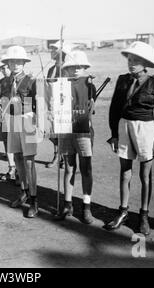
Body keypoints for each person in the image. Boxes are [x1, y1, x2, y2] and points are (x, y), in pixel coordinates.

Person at [105, 41, 154, 236]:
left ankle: (143, 216)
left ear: (146, 63)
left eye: (137, 60)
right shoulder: (122, 80)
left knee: (145, 175)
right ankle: (123, 212)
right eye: (130, 59)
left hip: (146, 130)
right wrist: (114, 134)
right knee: (125, 172)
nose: (131, 63)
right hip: (124, 127)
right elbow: (114, 108)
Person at [54, 51, 97, 224]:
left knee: (86, 168)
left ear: (85, 68)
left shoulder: (90, 84)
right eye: (72, 67)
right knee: (69, 168)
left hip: (83, 131)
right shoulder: (60, 84)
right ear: (66, 69)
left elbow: (90, 109)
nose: (76, 69)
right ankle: (67, 204)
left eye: (80, 66)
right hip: (65, 130)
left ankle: (86, 206)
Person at [3, 46, 39, 218]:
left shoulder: (31, 81)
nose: (15, 64)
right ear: (8, 64)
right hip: (12, 120)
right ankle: (24, 191)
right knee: (17, 157)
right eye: (12, 61)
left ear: (24, 63)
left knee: (29, 160)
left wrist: (40, 126)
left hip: (27, 120)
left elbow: (39, 105)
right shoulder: (6, 81)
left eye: (18, 61)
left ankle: (34, 200)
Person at [45, 42, 75, 168]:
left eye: (54, 49)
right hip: (52, 104)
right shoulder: (51, 69)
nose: (51, 51)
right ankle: (57, 155)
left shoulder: (67, 68)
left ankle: (63, 157)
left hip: (65, 105)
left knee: (64, 132)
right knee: (53, 132)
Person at [0, 60, 17, 184]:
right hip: (4, 116)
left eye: (5, 67)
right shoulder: (0, 83)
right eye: (1, 69)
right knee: (7, 143)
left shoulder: (17, 80)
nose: (3, 70)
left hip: (18, 117)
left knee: (18, 144)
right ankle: (11, 167)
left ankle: (19, 171)